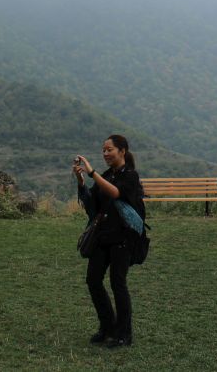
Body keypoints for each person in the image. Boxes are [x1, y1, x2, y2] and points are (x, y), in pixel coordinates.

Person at [74, 135, 145, 348]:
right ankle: (107, 327)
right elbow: (91, 204)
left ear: (122, 151)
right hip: (102, 236)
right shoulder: (106, 175)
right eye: (103, 150)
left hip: (123, 238)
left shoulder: (131, 176)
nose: (105, 154)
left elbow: (116, 193)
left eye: (109, 150)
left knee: (117, 283)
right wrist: (81, 181)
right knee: (93, 280)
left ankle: (124, 334)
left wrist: (92, 172)